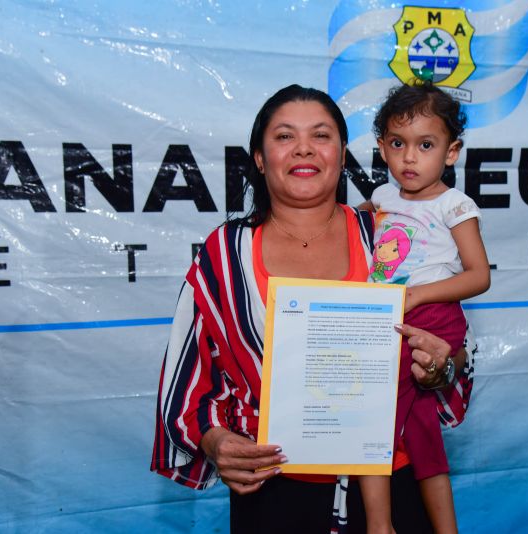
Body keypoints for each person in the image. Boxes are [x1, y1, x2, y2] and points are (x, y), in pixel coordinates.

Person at [151, 84, 476, 533]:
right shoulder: (224, 254)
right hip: (274, 490)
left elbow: (454, 343)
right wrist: (215, 440)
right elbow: (187, 379)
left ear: (343, 155)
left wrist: (443, 366)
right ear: (260, 158)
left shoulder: (389, 233)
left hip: (392, 483)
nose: (304, 147)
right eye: (285, 136)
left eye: (321, 135)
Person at [358, 82, 490, 534]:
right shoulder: (380, 198)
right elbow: (346, 228)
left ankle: (379, 525)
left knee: (369, 414)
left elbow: (478, 275)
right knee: (421, 435)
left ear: (451, 152)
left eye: (426, 145)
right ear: (381, 148)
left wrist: (415, 295)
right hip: (390, 319)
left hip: (431, 318)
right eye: (398, 144)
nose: (410, 157)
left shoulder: (455, 205)